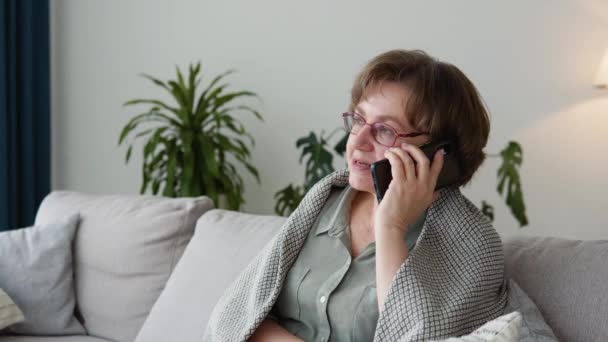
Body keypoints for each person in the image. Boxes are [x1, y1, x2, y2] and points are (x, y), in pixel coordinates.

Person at [203, 49, 508, 342]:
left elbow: (416, 336)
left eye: (385, 131)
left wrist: (391, 227)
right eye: (359, 120)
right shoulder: (327, 199)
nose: (358, 141)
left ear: (439, 154)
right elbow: (241, 317)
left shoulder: (472, 243)